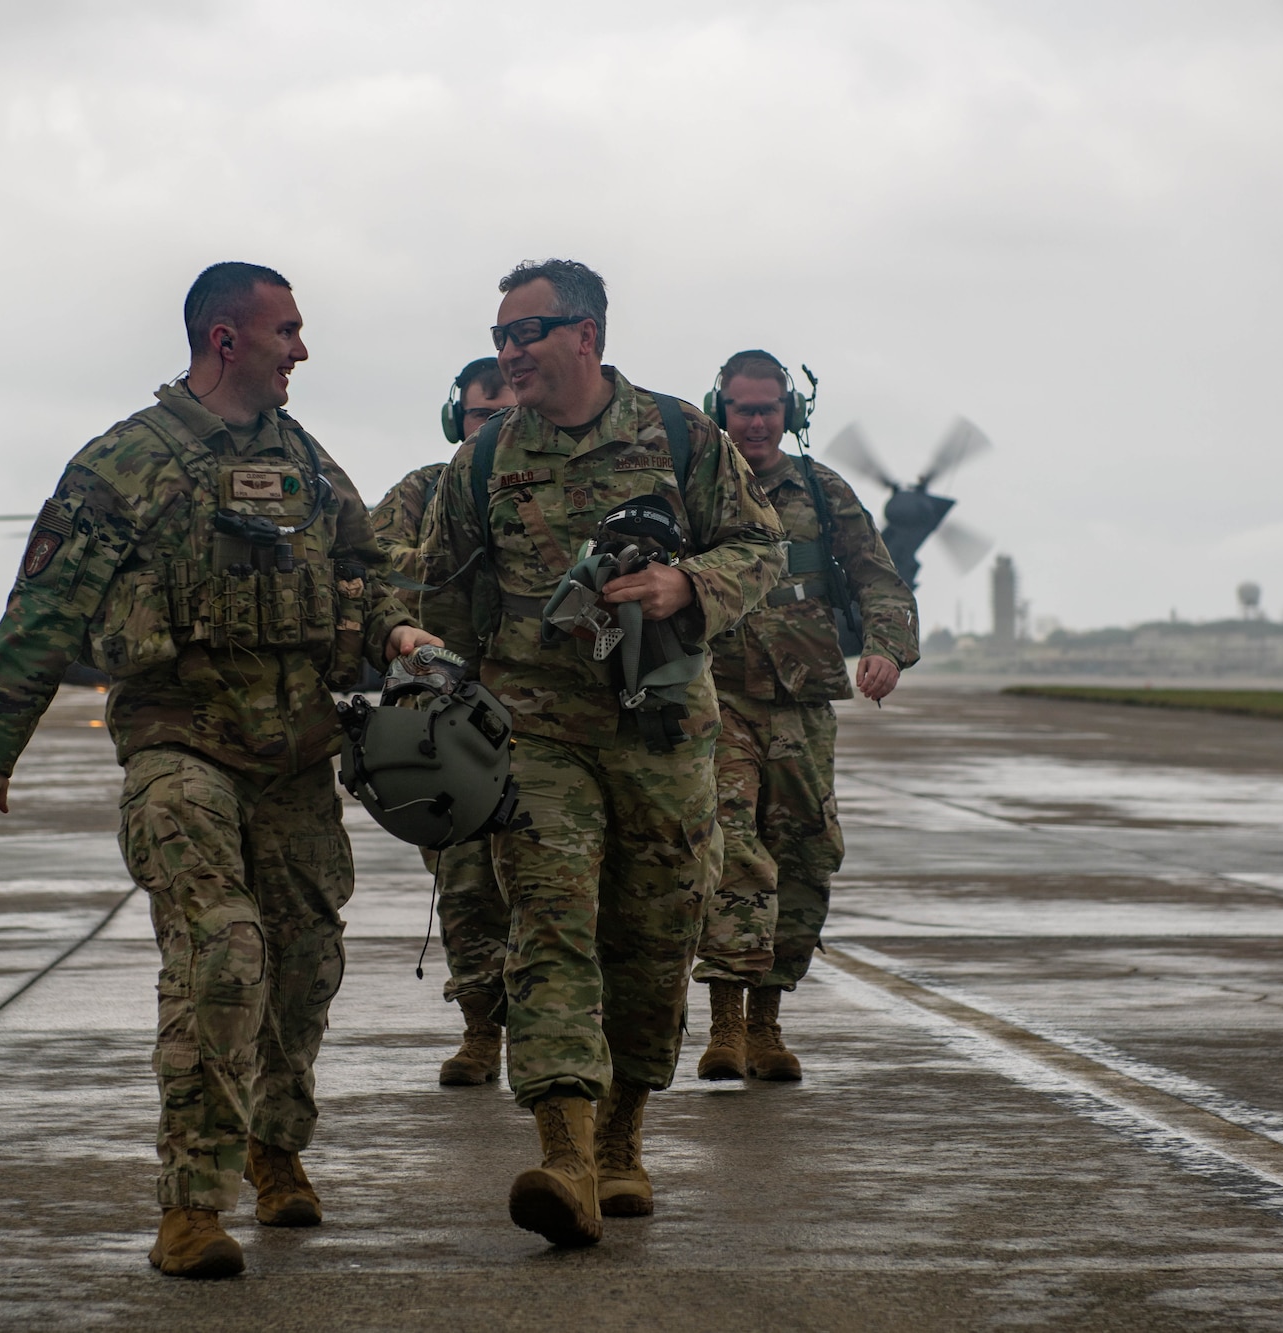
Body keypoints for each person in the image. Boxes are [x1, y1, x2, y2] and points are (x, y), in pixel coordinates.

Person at [0, 262, 440, 1280]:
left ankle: (276, 1146)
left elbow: (363, 567)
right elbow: (44, 604)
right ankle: (189, 1204)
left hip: (297, 756)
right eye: (285, 331)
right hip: (181, 748)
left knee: (303, 966)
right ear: (225, 339)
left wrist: (395, 628)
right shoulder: (125, 461)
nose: (301, 349)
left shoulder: (306, 465)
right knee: (222, 953)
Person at [417, 260, 782, 1246]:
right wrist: (430, 707)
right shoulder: (483, 462)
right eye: (499, 338)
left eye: (524, 334)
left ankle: (623, 1135)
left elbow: (759, 547)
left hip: (661, 731)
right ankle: (563, 1152)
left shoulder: (677, 436)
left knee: (654, 937)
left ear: (583, 333)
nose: (508, 354)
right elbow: (438, 604)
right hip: (535, 736)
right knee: (548, 922)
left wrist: (684, 583)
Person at [691, 350, 919, 1082]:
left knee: (805, 855)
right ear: (718, 409)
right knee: (730, 851)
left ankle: (768, 1022)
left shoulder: (823, 494)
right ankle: (724, 1022)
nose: (755, 422)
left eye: (768, 408)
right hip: (716, 698)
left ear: (790, 413)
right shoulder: (694, 490)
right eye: (742, 408)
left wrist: (886, 648)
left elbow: (880, 580)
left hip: (803, 703)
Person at [369, 357, 516, 1086]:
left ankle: (558, 1040)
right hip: (452, 725)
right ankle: (482, 1031)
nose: (488, 430)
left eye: (504, 414)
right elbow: (366, 562)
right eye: (478, 416)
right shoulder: (424, 492)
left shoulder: (551, 497)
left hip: (544, 716)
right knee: (463, 885)